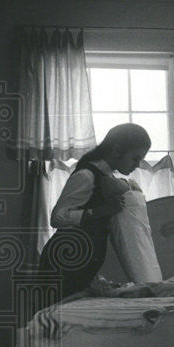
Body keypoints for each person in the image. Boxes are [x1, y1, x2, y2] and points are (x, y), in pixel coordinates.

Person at [39, 123, 151, 301]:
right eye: (135, 159)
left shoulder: (107, 177)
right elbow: (57, 217)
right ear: (116, 151)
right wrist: (101, 211)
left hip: (81, 261)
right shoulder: (86, 176)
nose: (137, 165)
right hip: (65, 259)